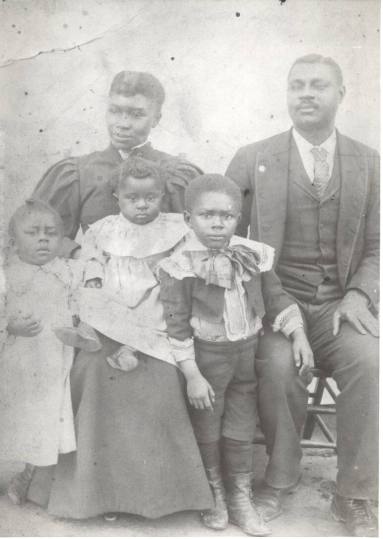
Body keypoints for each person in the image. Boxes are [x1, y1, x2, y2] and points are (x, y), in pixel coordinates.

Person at [226, 54, 379, 537]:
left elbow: (378, 245)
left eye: (319, 86)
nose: (306, 94)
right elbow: (233, 244)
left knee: (370, 362)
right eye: (297, 85)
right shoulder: (253, 158)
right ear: (286, 94)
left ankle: (354, 494)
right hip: (275, 306)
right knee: (276, 367)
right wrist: (280, 305)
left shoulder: (368, 161)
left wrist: (358, 295)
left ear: (341, 95)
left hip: (338, 306)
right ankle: (279, 481)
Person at [26, 158, 213, 521]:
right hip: (109, 317)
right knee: (90, 371)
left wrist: (140, 326)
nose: (142, 205)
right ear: (117, 197)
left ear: (162, 196)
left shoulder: (177, 230)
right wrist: (97, 293)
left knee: (157, 378)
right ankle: (98, 495)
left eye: (151, 197)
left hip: (157, 318)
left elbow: (176, 283)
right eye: (132, 198)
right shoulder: (101, 230)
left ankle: (154, 497)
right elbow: (92, 268)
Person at [158, 174, 312, 536]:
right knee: (208, 425)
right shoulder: (180, 265)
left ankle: (241, 497)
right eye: (206, 215)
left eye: (226, 216)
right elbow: (176, 324)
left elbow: (275, 299)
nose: (216, 223)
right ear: (188, 218)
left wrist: (299, 334)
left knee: (241, 423)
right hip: (206, 360)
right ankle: (216, 495)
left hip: (245, 355)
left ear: (237, 218)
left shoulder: (252, 255)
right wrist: (193, 375)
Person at [32, 70, 202, 258]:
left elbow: (201, 239)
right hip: (96, 282)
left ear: (156, 119)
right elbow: (38, 233)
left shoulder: (177, 174)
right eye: (115, 111)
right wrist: (78, 252)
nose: (122, 124)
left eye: (136, 115)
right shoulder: (79, 172)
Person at [0, 200, 82, 504]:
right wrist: (10, 325)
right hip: (15, 361)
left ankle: (29, 475)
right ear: (13, 241)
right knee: (12, 416)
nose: (43, 239)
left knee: (44, 420)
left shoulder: (68, 272)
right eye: (33, 233)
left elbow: (83, 304)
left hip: (53, 361)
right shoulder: (7, 274)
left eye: (51, 233)